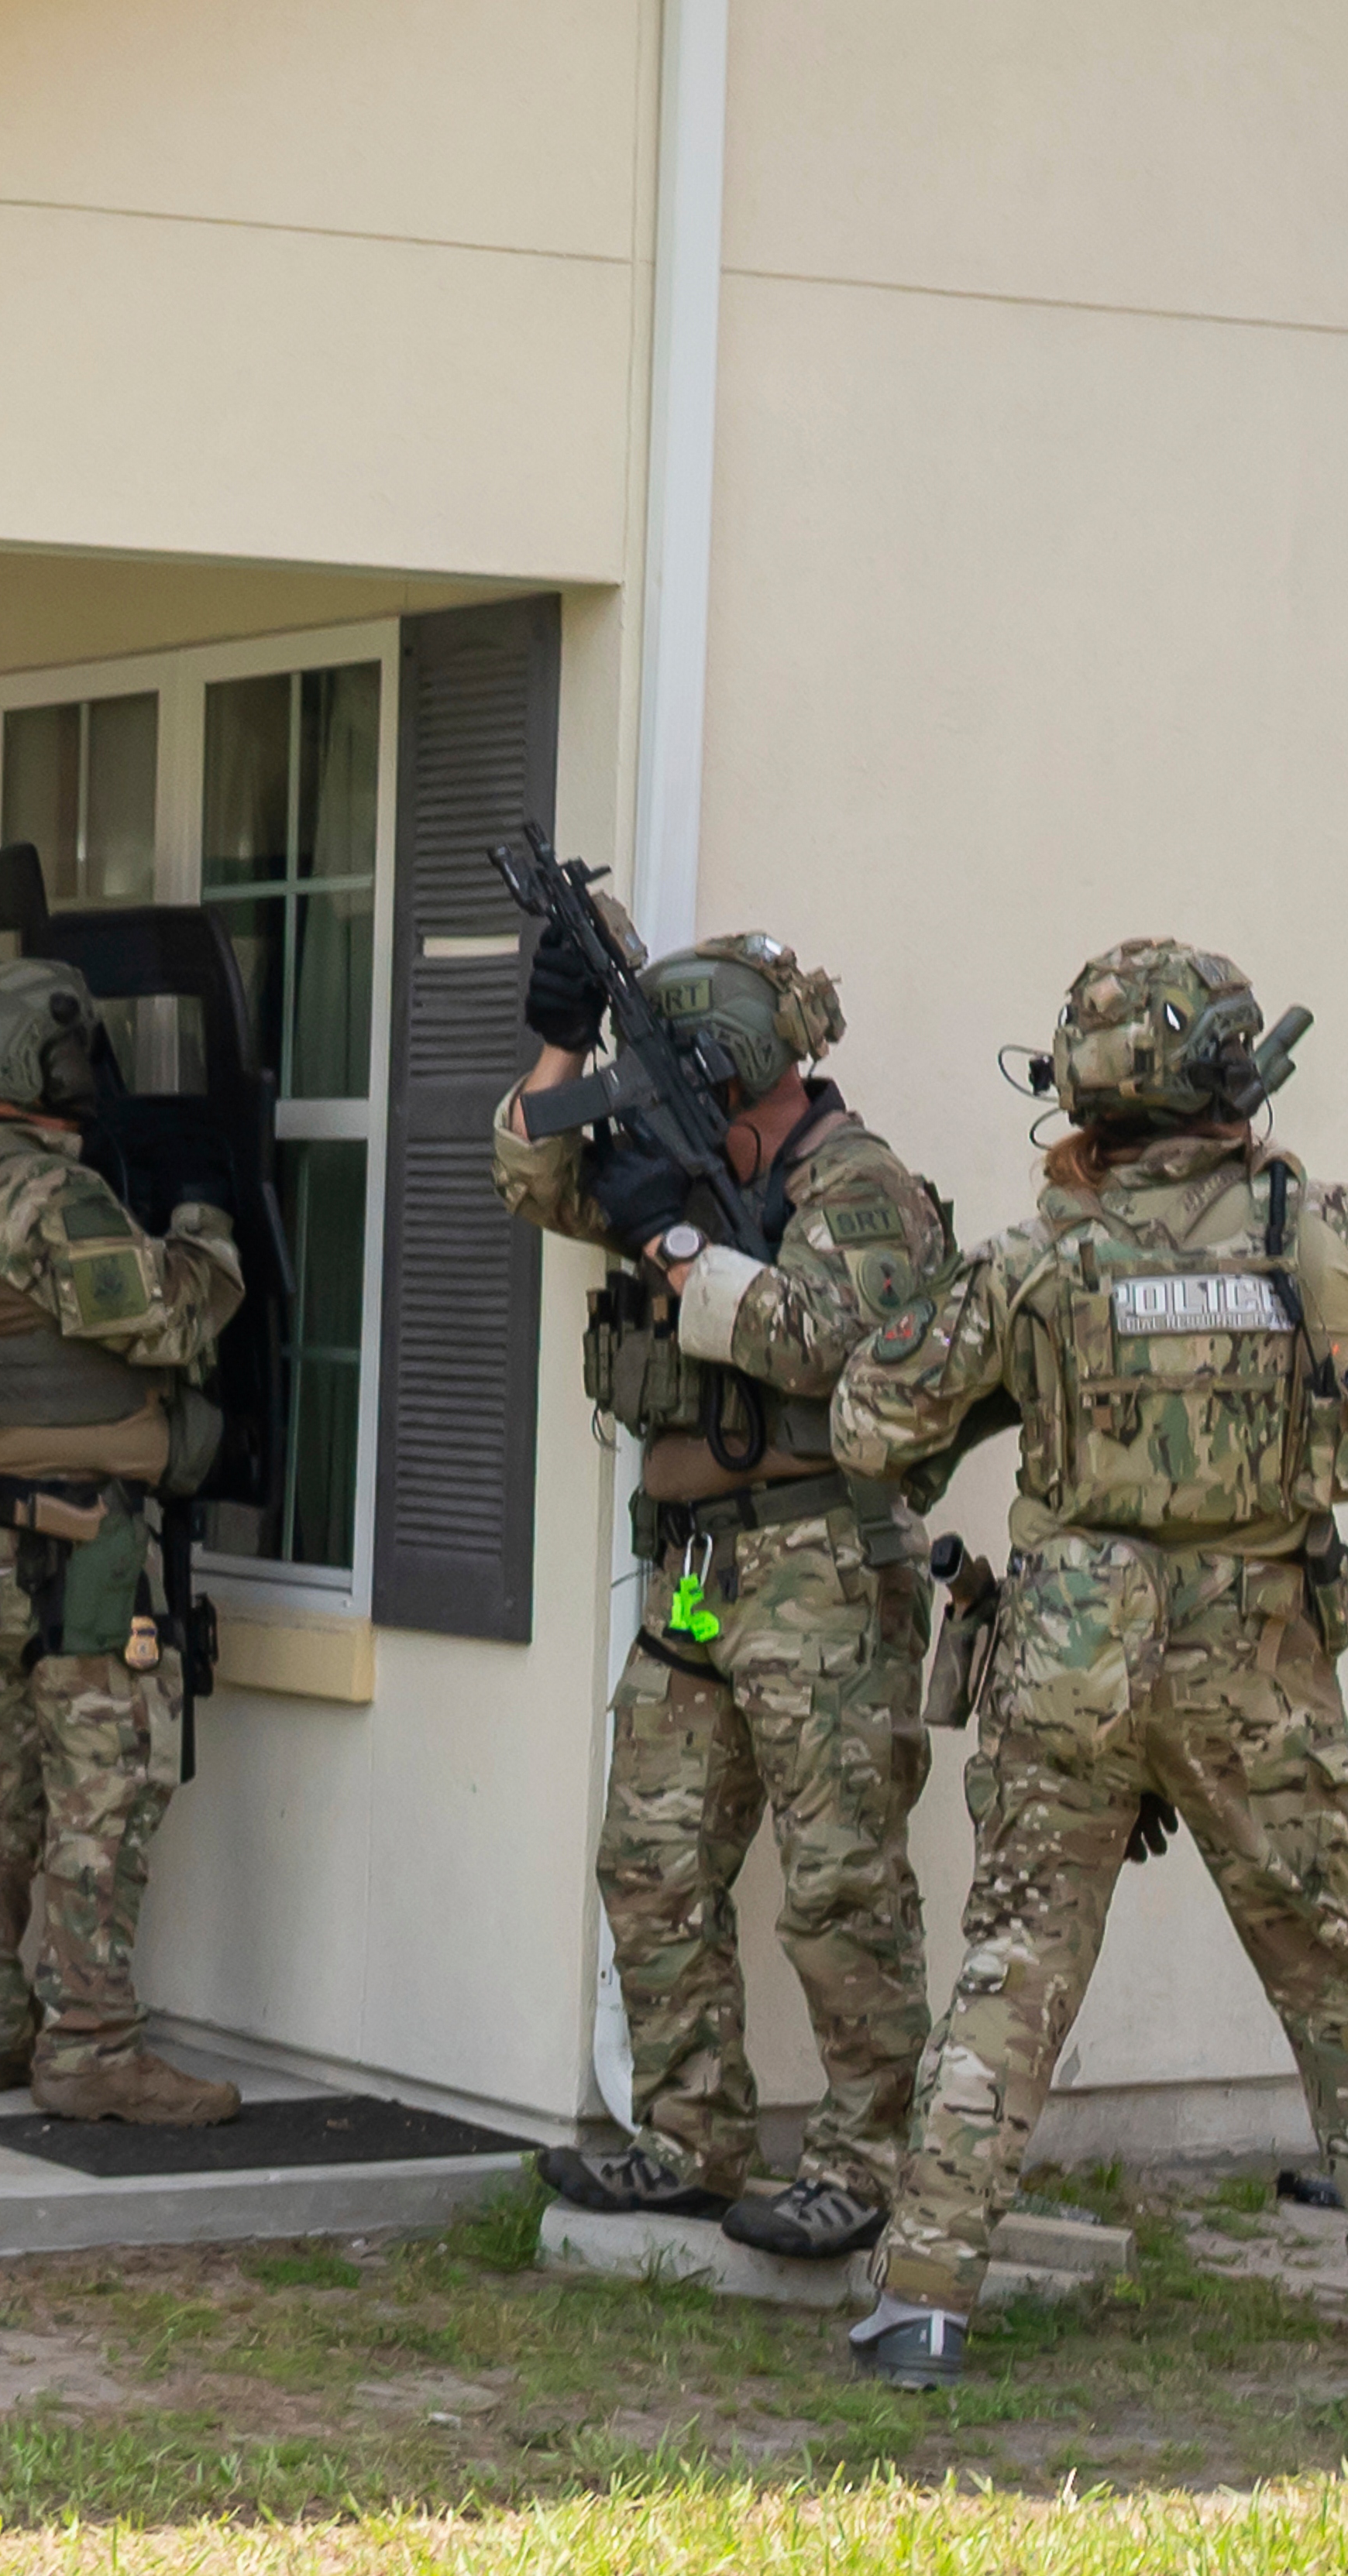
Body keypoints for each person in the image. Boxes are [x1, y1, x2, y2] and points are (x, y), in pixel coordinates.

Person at [836, 939, 1348, 2391]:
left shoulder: (1039, 1256)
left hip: (1071, 1653)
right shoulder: (1329, 1230)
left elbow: (872, 1417)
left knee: (1017, 1963)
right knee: (1335, 1975)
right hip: (1264, 1654)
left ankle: (923, 2297)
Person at [494, 927, 948, 2262]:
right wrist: (560, 1041)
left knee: (840, 1882)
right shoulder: (676, 1167)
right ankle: (690, 2140)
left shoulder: (859, 1185)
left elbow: (823, 1338)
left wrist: (677, 1244)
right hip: (694, 1568)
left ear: (732, 1063)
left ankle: (872, 2161)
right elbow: (529, 1170)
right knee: (652, 1854)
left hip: (820, 1566)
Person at [0, 955, 244, 2124]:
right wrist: (205, 1223)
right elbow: (166, 1313)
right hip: (78, 1544)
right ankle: (90, 2046)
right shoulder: (40, 1194)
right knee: (108, 1788)